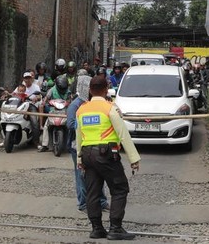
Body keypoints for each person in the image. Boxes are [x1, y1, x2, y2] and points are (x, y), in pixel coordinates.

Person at [77, 75, 140, 240]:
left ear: (90, 90)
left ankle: (97, 228)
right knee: (119, 189)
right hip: (106, 155)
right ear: (106, 90)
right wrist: (133, 158)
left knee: (92, 192)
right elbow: (122, 133)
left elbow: (79, 136)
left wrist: (79, 159)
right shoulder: (110, 108)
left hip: (87, 155)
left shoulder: (81, 109)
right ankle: (115, 228)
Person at [67, 74, 109, 212]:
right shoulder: (75, 105)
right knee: (81, 175)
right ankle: (83, 203)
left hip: (93, 145)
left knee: (98, 175)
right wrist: (85, 125)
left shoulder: (92, 104)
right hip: (77, 146)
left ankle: (101, 202)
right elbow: (71, 124)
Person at [38, 75, 72, 152]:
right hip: (53, 110)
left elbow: (70, 100)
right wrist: (44, 102)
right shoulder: (52, 90)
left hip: (65, 111)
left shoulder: (68, 91)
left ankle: (69, 144)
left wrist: (70, 103)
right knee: (47, 125)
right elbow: (46, 98)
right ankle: (44, 145)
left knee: (70, 126)